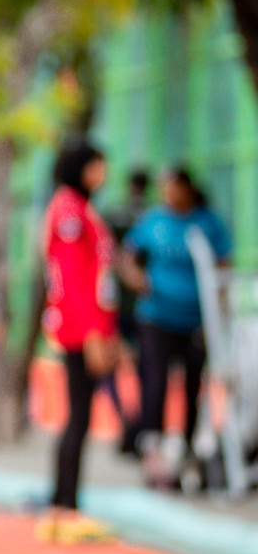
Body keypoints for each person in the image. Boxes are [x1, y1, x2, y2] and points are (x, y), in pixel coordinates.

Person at [118, 166, 232, 490]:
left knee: (194, 385)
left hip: (195, 319)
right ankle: (152, 451)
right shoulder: (153, 221)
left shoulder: (206, 222)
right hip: (156, 316)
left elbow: (223, 264)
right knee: (155, 382)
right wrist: (138, 281)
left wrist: (218, 308)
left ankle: (187, 452)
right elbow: (126, 256)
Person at [37, 140, 119, 544]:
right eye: (98, 166)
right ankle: (64, 508)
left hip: (88, 325)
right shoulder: (69, 209)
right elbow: (71, 276)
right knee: (79, 416)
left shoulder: (79, 207)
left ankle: (61, 506)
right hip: (78, 328)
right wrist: (91, 333)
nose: (103, 174)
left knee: (81, 416)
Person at [103, 168, 151, 454]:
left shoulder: (114, 216)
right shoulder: (152, 218)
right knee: (144, 369)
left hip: (119, 305)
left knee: (113, 368)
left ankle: (128, 422)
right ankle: (136, 424)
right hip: (141, 305)